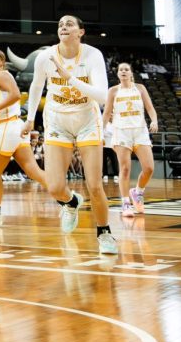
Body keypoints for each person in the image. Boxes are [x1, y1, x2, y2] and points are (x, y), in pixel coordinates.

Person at [22, 14, 115, 254]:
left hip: (86, 120)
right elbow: (36, 87)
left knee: (94, 185)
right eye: (61, 24)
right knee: (54, 187)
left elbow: (103, 96)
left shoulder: (93, 55)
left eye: (69, 24)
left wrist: (69, 78)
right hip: (57, 121)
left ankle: (104, 233)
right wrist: (30, 118)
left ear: (80, 32)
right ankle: (70, 202)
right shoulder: (45, 56)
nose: (64, 26)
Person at [0, 49, 47, 226]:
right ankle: (68, 198)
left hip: (7, 127)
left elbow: (15, 95)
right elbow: (4, 102)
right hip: (14, 126)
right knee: (32, 170)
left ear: (2, 62)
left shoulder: (1, 75)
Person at [102, 62, 159, 219]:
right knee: (125, 168)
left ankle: (138, 192)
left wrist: (154, 121)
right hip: (121, 133)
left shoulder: (140, 88)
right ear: (118, 74)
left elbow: (150, 108)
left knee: (149, 168)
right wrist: (101, 131)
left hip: (140, 131)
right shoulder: (113, 91)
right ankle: (125, 202)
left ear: (131, 72)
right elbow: (106, 114)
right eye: (121, 70)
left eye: (126, 69)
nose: (123, 71)